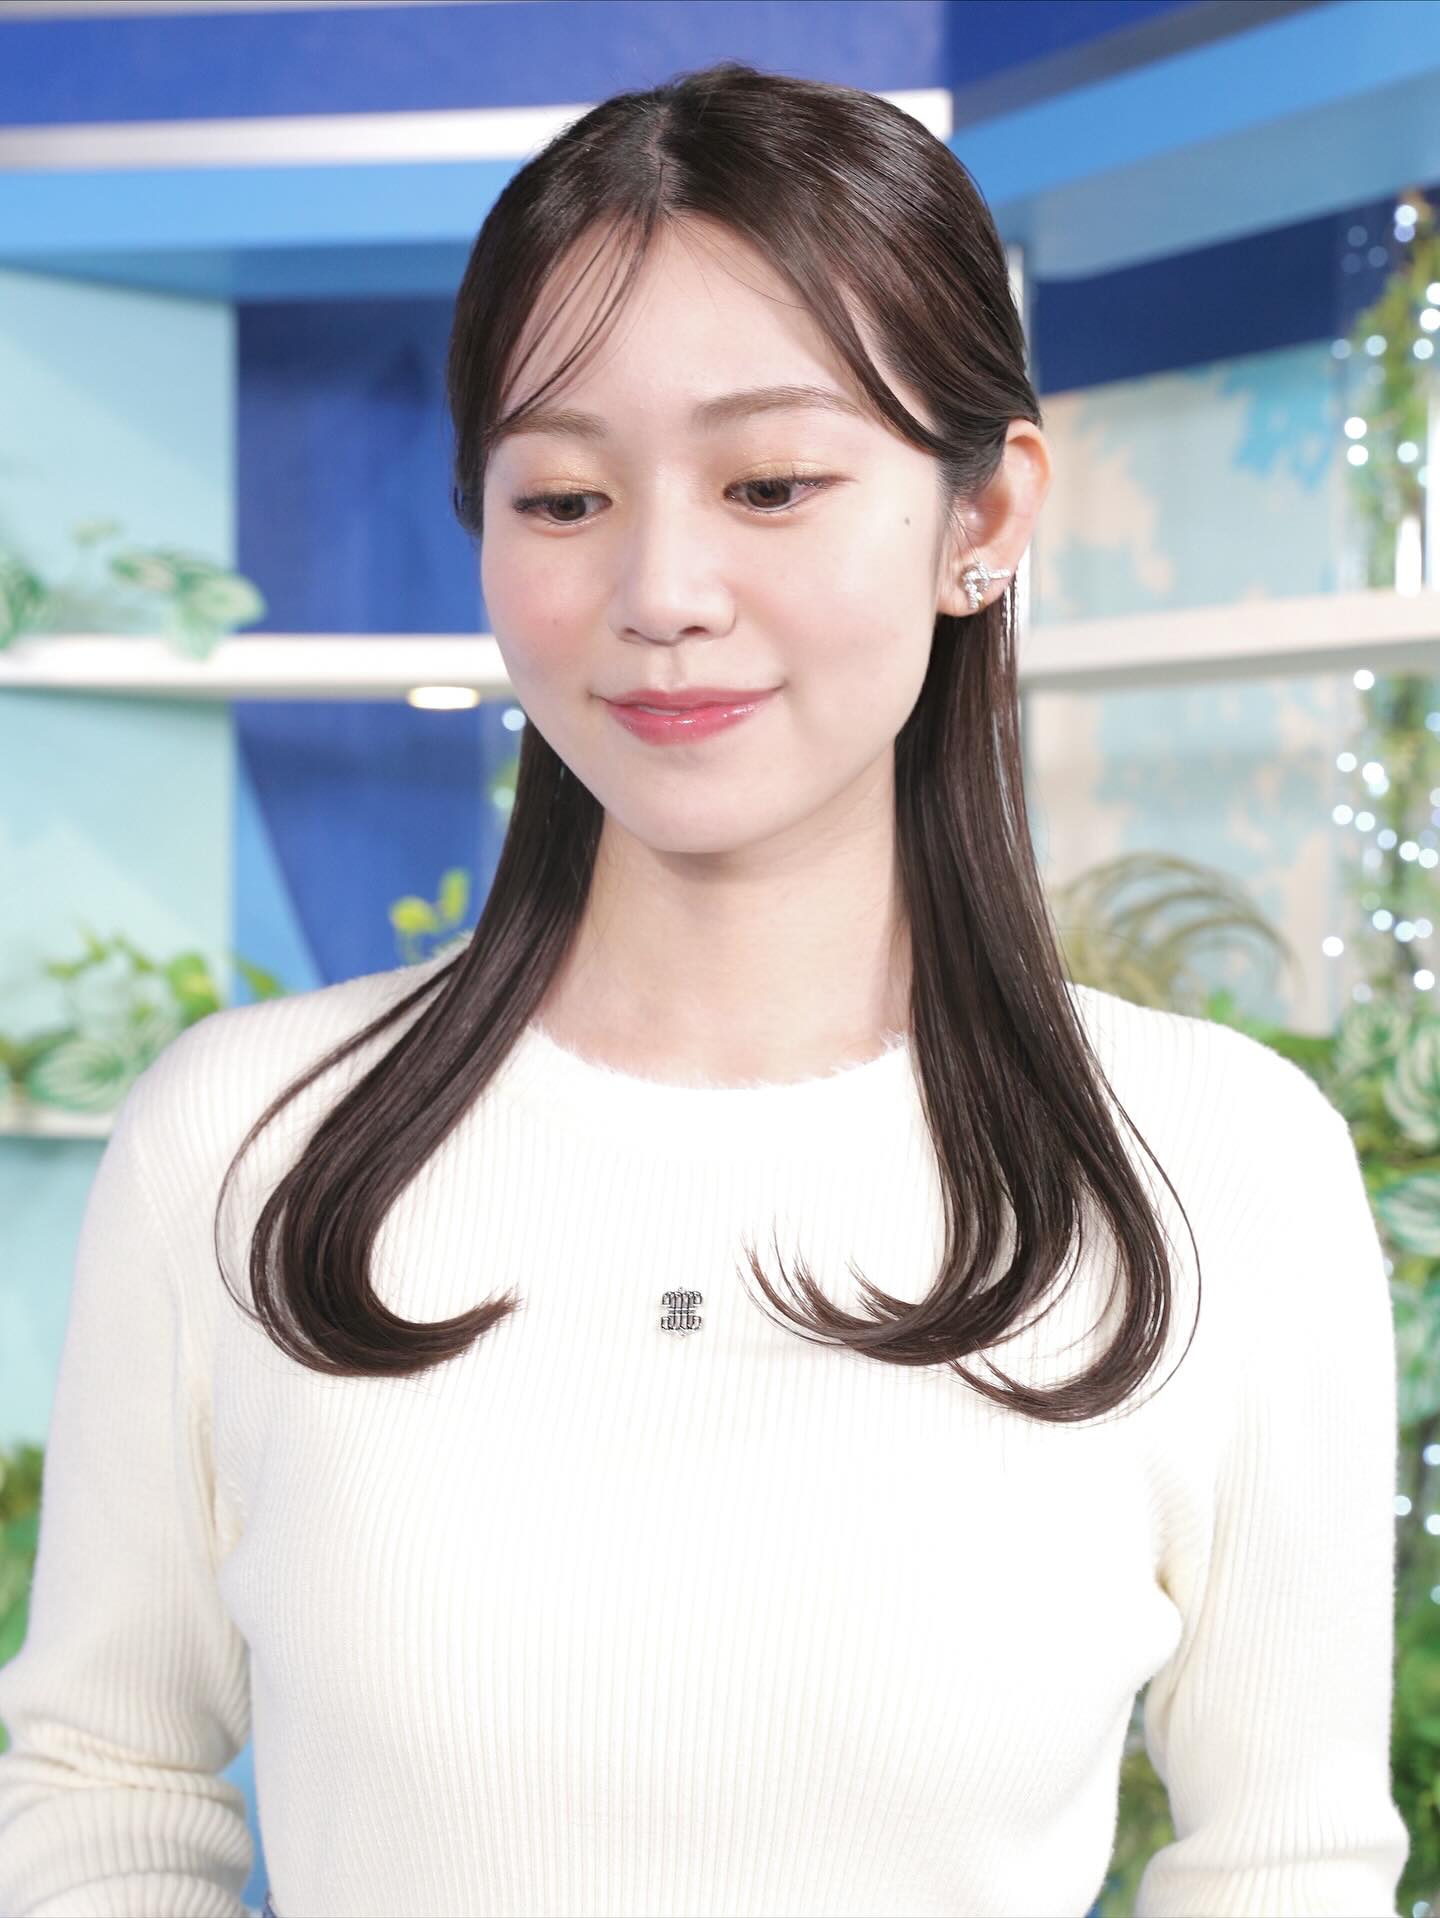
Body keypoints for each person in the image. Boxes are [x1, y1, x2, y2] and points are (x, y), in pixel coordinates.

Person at [0, 59, 1408, 1918]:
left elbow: (1285, 1862)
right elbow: (102, 1785)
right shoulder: (245, 1136)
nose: (660, 588)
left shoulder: (1223, 1166)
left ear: (984, 519)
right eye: (564, 495)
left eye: (769, 484)